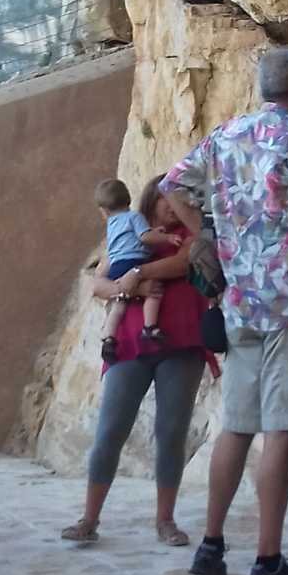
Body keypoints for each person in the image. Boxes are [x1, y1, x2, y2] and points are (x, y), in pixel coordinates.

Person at [161, 47, 288, 575]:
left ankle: (210, 547)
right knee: (281, 432)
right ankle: (268, 561)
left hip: (238, 304)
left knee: (237, 425)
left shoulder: (224, 138)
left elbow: (172, 185)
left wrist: (206, 236)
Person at [61, 176, 209, 548]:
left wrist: (137, 273)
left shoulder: (192, 232)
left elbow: (182, 263)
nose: (172, 207)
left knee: (171, 433)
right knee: (110, 430)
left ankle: (165, 519)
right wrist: (127, 286)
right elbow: (97, 283)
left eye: (178, 200)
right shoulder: (128, 230)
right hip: (129, 343)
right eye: (165, 200)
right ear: (149, 200)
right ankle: (89, 517)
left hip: (183, 342)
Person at [93, 176, 178, 364]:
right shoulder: (134, 217)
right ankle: (149, 327)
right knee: (154, 291)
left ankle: (109, 338)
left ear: (105, 211)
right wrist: (167, 238)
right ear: (128, 200)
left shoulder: (112, 225)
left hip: (116, 266)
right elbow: (145, 237)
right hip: (132, 262)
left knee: (119, 303)